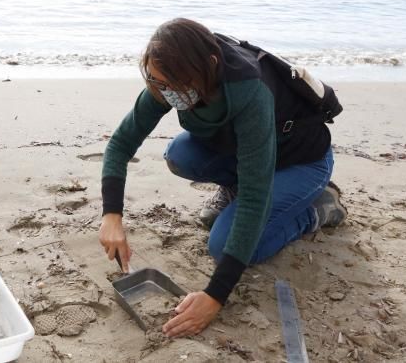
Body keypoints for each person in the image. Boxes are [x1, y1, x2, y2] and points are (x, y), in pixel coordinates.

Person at [98, 19, 346, 337]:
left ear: (208, 67)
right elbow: (120, 144)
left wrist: (215, 296)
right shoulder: (167, 78)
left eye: (172, 84)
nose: (165, 92)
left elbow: (256, 199)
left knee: (223, 246)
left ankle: (318, 209)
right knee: (180, 154)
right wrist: (112, 215)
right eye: (157, 81)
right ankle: (234, 188)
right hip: (251, 157)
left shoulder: (250, 92)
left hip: (302, 163)